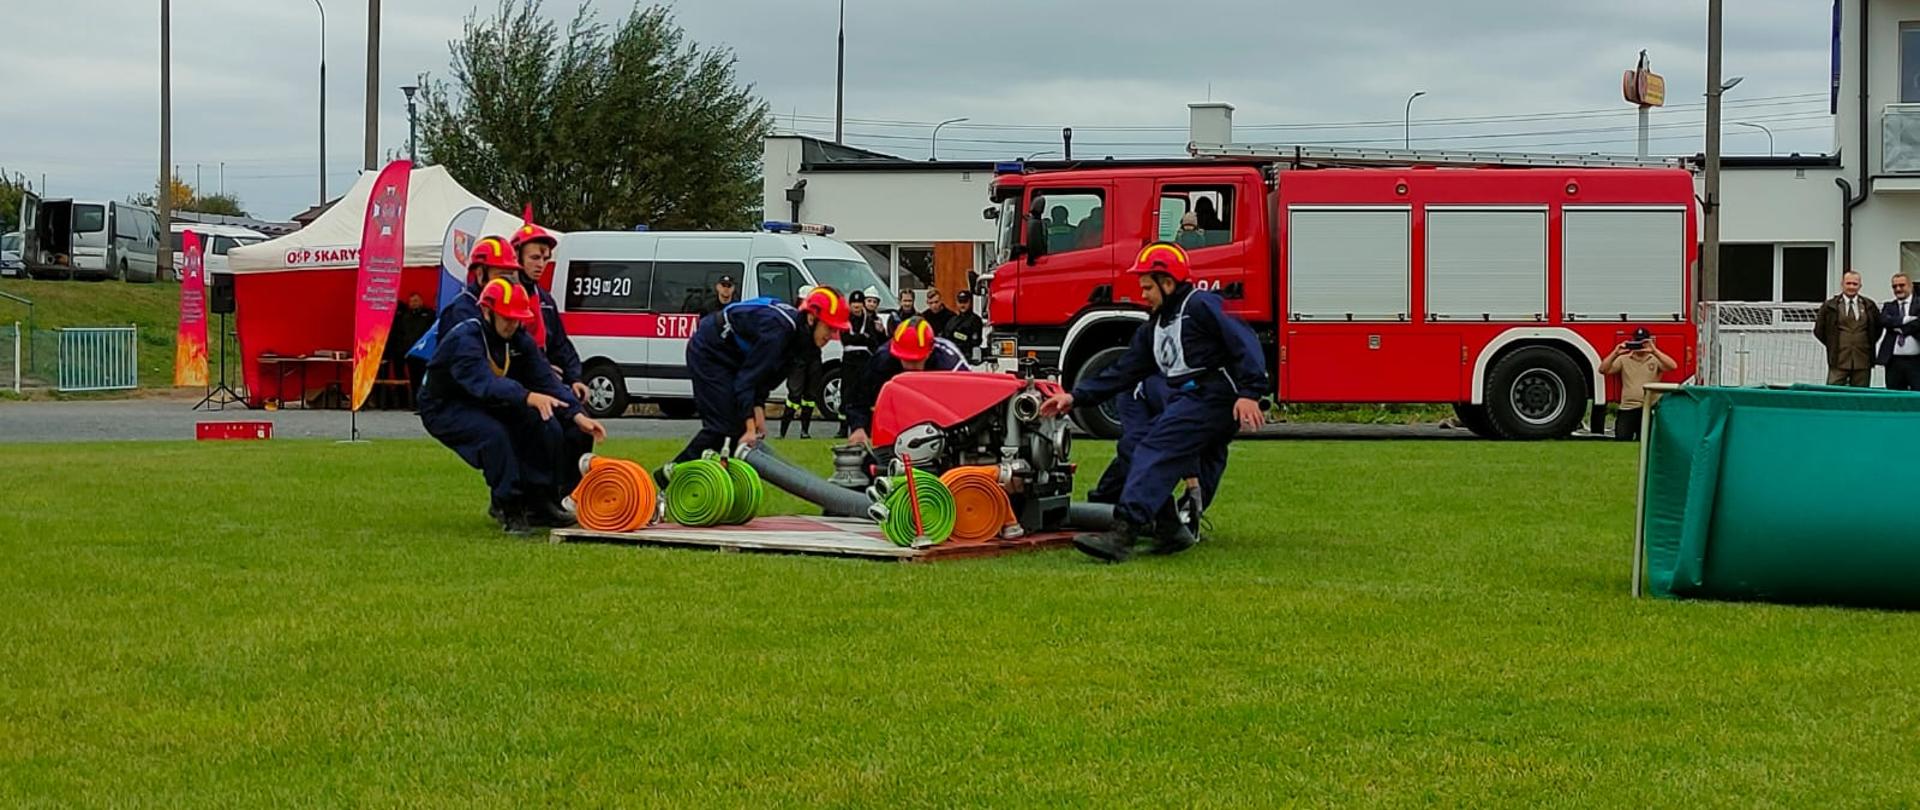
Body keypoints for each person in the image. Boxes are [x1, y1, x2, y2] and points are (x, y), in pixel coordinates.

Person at [1039, 242, 1266, 563]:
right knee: (1148, 451)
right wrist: (1075, 397)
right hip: (1192, 399)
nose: (1142, 294)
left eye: (1147, 287)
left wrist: (1249, 393)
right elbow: (1124, 371)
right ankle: (1172, 529)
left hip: (1212, 397)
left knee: (1154, 449)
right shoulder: (1154, 327)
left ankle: (1123, 533)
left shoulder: (1201, 305)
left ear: (1168, 283)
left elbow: (1244, 341)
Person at [418, 278, 606, 536]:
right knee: (494, 437)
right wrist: (528, 397)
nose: (512, 324)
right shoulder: (466, 338)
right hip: (445, 405)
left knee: (543, 424)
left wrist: (576, 415)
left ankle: (540, 503)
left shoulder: (518, 337)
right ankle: (510, 509)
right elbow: (483, 383)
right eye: (506, 318)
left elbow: (544, 377)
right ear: (486, 312)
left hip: (484, 398)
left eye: (517, 318)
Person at [663, 286, 852, 481]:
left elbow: (766, 378)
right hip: (709, 351)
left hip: (731, 357)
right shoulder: (779, 331)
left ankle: (718, 482)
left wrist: (758, 409)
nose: (831, 336)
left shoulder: (803, 343)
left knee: (736, 428)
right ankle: (671, 474)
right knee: (723, 426)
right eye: (829, 327)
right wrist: (750, 427)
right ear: (812, 319)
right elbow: (746, 380)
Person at [511, 220, 593, 494]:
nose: (541, 264)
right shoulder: (506, 297)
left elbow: (561, 343)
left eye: (545, 258)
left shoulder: (545, 299)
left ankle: (568, 494)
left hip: (549, 381)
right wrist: (545, 370)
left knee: (580, 429)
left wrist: (575, 377)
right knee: (549, 431)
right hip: (521, 386)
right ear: (517, 256)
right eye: (535, 257)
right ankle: (535, 497)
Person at [844, 316, 970, 447]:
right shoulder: (882, 360)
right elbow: (858, 398)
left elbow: (969, 403)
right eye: (905, 360)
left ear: (930, 351)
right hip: (898, 422)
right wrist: (858, 427)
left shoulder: (951, 365)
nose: (910, 367)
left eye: (915, 361)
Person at [1598, 328, 1677, 442]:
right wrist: (1615, 353)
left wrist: (1654, 350)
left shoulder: (1655, 359)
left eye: (1643, 342)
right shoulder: (1623, 359)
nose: (1640, 345)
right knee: (1622, 438)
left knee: (1647, 440)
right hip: (1628, 407)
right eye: (1637, 342)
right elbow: (1603, 370)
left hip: (1649, 407)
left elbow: (1673, 366)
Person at [1814, 270, 1881, 387]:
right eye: (1848, 283)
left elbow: (1877, 329)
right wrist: (1833, 344)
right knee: (1833, 392)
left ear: (1860, 286)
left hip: (1863, 360)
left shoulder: (1869, 305)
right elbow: (1819, 330)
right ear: (1842, 284)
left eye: (1855, 284)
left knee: (1860, 397)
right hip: (1838, 360)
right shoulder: (1830, 306)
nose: (1851, 287)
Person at [836, 289, 885, 439]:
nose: (856, 308)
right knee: (846, 394)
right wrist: (862, 337)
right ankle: (842, 429)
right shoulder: (845, 319)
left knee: (863, 395)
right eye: (854, 305)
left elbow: (874, 341)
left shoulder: (869, 321)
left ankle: (864, 428)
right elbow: (846, 339)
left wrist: (863, 337)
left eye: (859, 305)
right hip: (849, 361)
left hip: (864, 360)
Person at [780, 287, 827, 439]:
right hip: (797, 361)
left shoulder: (819, 321)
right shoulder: (795, 319)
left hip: (813, 360)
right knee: (794, 395)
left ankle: (805, 431)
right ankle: (783, 431)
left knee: (810, 397)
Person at [1879, 273, 1920, 391]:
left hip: (1916, 362)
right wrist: (1906, 319)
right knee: (1894, 396)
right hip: (1894, 363)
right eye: (1894, 286)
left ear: (1910, 286)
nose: (1898, 289)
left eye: (1901, 285)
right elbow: (1884, 321)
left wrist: (1900, 328)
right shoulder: (1889, 306)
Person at [944, 288, 984, 364]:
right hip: (953, 356)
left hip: (968, 358)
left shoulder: (975, 320)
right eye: (960, 302)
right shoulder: (952, 320)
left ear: (970, 302)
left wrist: (957, 335)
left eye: (965, 302)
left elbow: (975, 341)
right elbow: (947, 337)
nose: (962, 305)